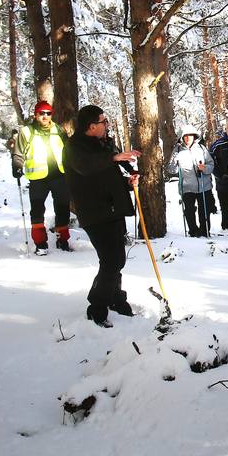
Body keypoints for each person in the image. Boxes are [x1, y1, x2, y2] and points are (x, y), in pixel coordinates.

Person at [64, 105, 139, 328]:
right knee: (111, 260)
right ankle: (97, 306)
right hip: (95, 212)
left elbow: (107, 176)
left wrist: (128, 182)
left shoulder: (104, 144)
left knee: (118, 259)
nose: (107, 125)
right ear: (91, 126)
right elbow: (87, 167)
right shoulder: (74, 147)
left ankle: (115, 297)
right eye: (103, 122)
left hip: (112, 209)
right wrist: (114, 158)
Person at [12, 100, 73, 254]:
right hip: (38, 178)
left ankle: (63, 240)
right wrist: (17, 166)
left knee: (63, 208)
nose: (45, 116)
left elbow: (68, 150)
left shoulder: (58, 129)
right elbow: (18, 153)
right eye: (42, 113)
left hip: (59, 175)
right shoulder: (27, 131)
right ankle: (40, 244)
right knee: (37, 210)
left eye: (48, 113)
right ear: (36, 114)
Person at [173, 128, 215, 237]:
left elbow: (211, 165)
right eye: (185, 136)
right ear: (182, 137)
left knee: (204, 211)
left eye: (190, 136)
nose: (188, 138)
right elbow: (171, 170)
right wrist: (174, 161)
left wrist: (204, 168)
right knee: (189, 211)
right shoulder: (177, 150)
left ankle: (205, 231)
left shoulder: (201, 149)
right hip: (187, 187)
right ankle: (193, 231)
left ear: (194, 137)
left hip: (204, 186)